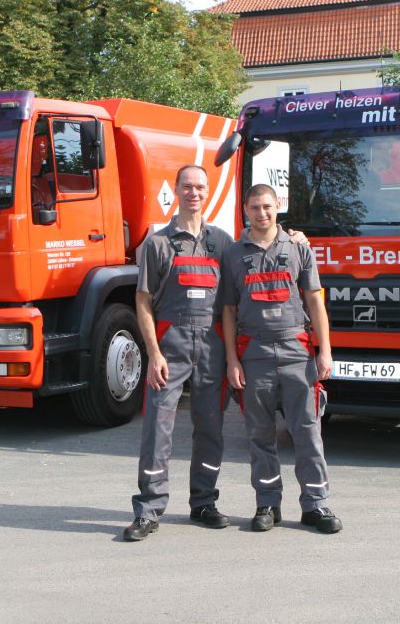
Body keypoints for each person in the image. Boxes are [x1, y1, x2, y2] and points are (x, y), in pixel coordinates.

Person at [124, 165, 307, 542]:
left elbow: (262, 241)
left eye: (200, 187)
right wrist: (153, 353)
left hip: (212, 345)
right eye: (187, 186)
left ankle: (203, 502)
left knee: (210, 427)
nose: (193, 193)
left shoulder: (223, 242)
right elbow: (142, 302)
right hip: (171, 345)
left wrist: (294, 236)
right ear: (176, 190)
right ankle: (148, 510)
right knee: (157, 428)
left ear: (208, 192)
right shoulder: (158, 244)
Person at [221, 183, 342, 534]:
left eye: (268, 206)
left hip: (296, 351)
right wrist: (232, 360)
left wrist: (325, 351)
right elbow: (228, 311)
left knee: (307, 432)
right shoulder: (232, 254)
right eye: (255, 207)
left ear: (278, 207)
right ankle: (267, 504)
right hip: (254, 353)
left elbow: (315, 301)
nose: (262, 213)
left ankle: (316, 505)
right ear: (246, 210)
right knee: (260, 435)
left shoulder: (299, 248)